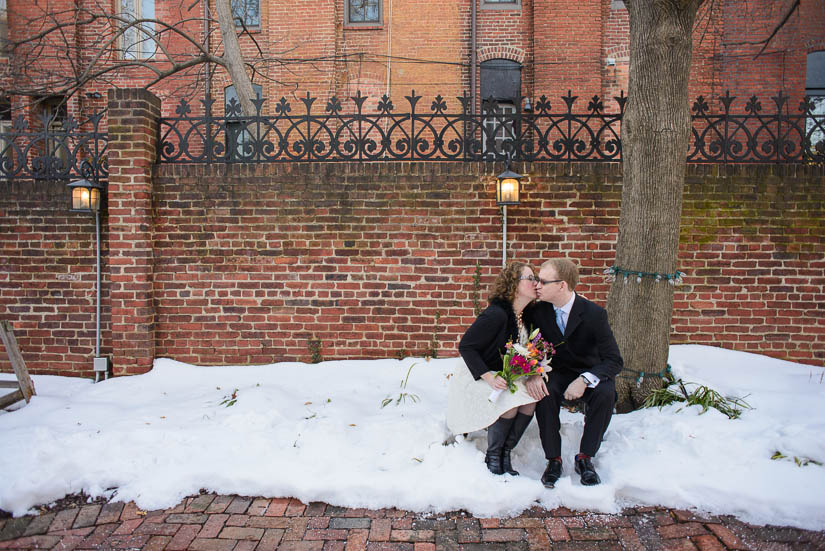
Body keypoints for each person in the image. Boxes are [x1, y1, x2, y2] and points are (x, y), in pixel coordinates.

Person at [524, 258, 623, 488]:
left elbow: (614, 360)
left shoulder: (594, 314)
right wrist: (535, 372)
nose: (537, 285)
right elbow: (530, 346)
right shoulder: (537, 312)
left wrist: (585, 379)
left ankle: (585, 458)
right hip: (557, 372)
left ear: (562, 285)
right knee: (544, 392)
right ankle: (554, 459)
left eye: (543, 281)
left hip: (590, 372)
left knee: (605, 394)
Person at [446, 261, 539, 476]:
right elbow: (466, 346)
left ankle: (506, 451)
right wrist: (489, 378)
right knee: (509, 402)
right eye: (530, 278)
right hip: (475, 376)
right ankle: (494, 454)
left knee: (531, 399)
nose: (536, 283)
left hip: (502, 374)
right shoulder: (496, 314)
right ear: (514, 285)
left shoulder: (524, 317)